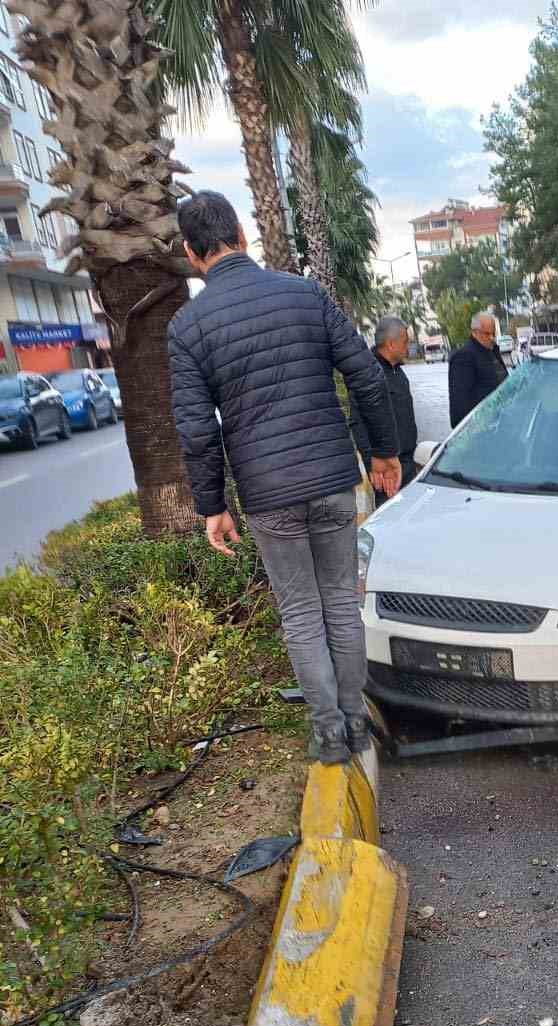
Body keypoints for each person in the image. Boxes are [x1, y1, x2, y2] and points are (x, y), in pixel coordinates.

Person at [167, 191, 401, 766]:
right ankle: (355, 725)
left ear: (192, 255)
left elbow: (198, 430)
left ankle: (328, 735)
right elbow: (366, 378)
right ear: (242, 236)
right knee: (341, 606)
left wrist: (213, 505)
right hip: (329, 479)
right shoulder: (304, 294)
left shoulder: (188, 327)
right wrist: (384, 453)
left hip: (267, 494)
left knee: (300, 613)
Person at [351, 316, 417, 506]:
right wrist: (371, 460)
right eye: (405, 342)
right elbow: (357, 420)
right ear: (390, 344)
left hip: (407, 464)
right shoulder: (368, 373)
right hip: (386, 469)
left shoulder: (398, 372)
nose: (408, 347)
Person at [448, 311, 508, 428]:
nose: (492, 338)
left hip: (501, 423)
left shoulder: (492, 352)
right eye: (487, 334)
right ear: (474, 332)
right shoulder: (464, 357)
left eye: (493, 333)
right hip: (482, 428)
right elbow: (460, 405)